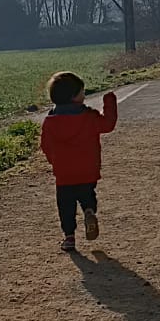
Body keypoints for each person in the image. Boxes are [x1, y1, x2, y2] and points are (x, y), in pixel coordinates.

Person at [39, 71, 118, 253]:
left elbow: (45, 146)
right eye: (82, 91)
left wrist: (54, 161)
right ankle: (89, 211)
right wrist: (109, 101)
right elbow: (108, 124)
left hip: (64, 173)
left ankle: (69, 237)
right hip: (88, 170)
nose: (84, 94)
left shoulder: (50, 122)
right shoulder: (89, 117)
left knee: (65, 205)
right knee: (87, 194)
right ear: (74, 97)